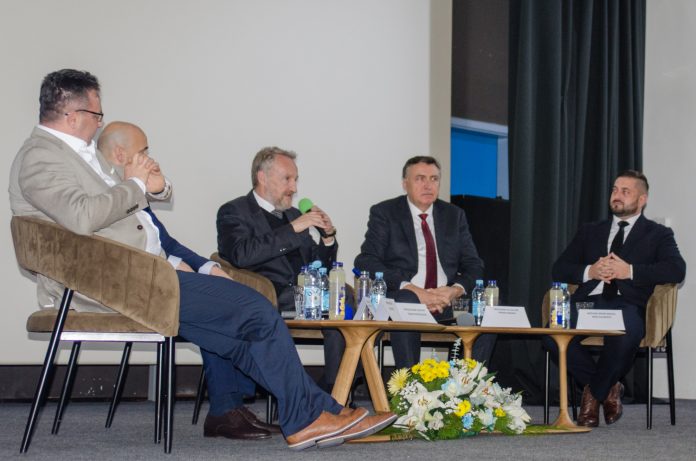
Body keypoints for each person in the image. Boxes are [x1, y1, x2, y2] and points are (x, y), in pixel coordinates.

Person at [9, 69, 395, 450]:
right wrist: (137, 185)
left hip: (145, 277)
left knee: (238, 341)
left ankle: (321, 412)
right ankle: (308, 419)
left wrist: (153, 186)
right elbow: (81, 217)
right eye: (97, 115)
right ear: (73, 114)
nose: (99, 123)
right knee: (257, 310)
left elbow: (132, 204)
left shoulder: (85, 156)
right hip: (120, 284)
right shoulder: (40, 156)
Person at [98, 121, 280, 439]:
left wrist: (207, 267)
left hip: (162, 282)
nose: (151, 159)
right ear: (121, 154)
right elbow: (121, 252)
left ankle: (230, 407)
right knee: (218, 311)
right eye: (144, 152)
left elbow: (166, 243)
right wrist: (170, 267)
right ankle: (227, 409)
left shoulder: (132, 193)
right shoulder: (108, 197)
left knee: (222, 296)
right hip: (136, 290)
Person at [548, 170, 686, 427]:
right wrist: (590, 271)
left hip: (627, 304)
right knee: (551, 334)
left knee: (625, 335)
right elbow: (560, 268)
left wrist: (629, 271)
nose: (617, 195)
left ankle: (593, 394)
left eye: (625, 191)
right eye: (614, 190)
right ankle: (609, 387)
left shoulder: (658, 234)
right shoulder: (590, 231)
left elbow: (677, 270)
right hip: (588, 303)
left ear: (642, 199)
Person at [216, 147, 349, 392]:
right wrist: (293, 229)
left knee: (343, 295)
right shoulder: (234, 211)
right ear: (262, 177)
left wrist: (328, 239)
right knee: (334, 300)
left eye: (295, 179)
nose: (294, 188)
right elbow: (240, 255)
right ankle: (316, 392)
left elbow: (318, 267)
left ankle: (337, 387)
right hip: (271, 296)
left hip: (307, 295)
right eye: (287, 179)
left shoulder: (293, 214)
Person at [354, 156, 492, 369]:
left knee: (488, 309)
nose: (428, 185)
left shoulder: (453, 215)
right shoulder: (386, 213)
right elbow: (365, 261)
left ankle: (462, 382)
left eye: (434, 179)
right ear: (405, 183)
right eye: (420, 178)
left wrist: (453, 291)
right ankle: (409, 383)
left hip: (445, 302)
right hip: (405, 298)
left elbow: (474, 265)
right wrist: (412, 289)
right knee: (407, 300)